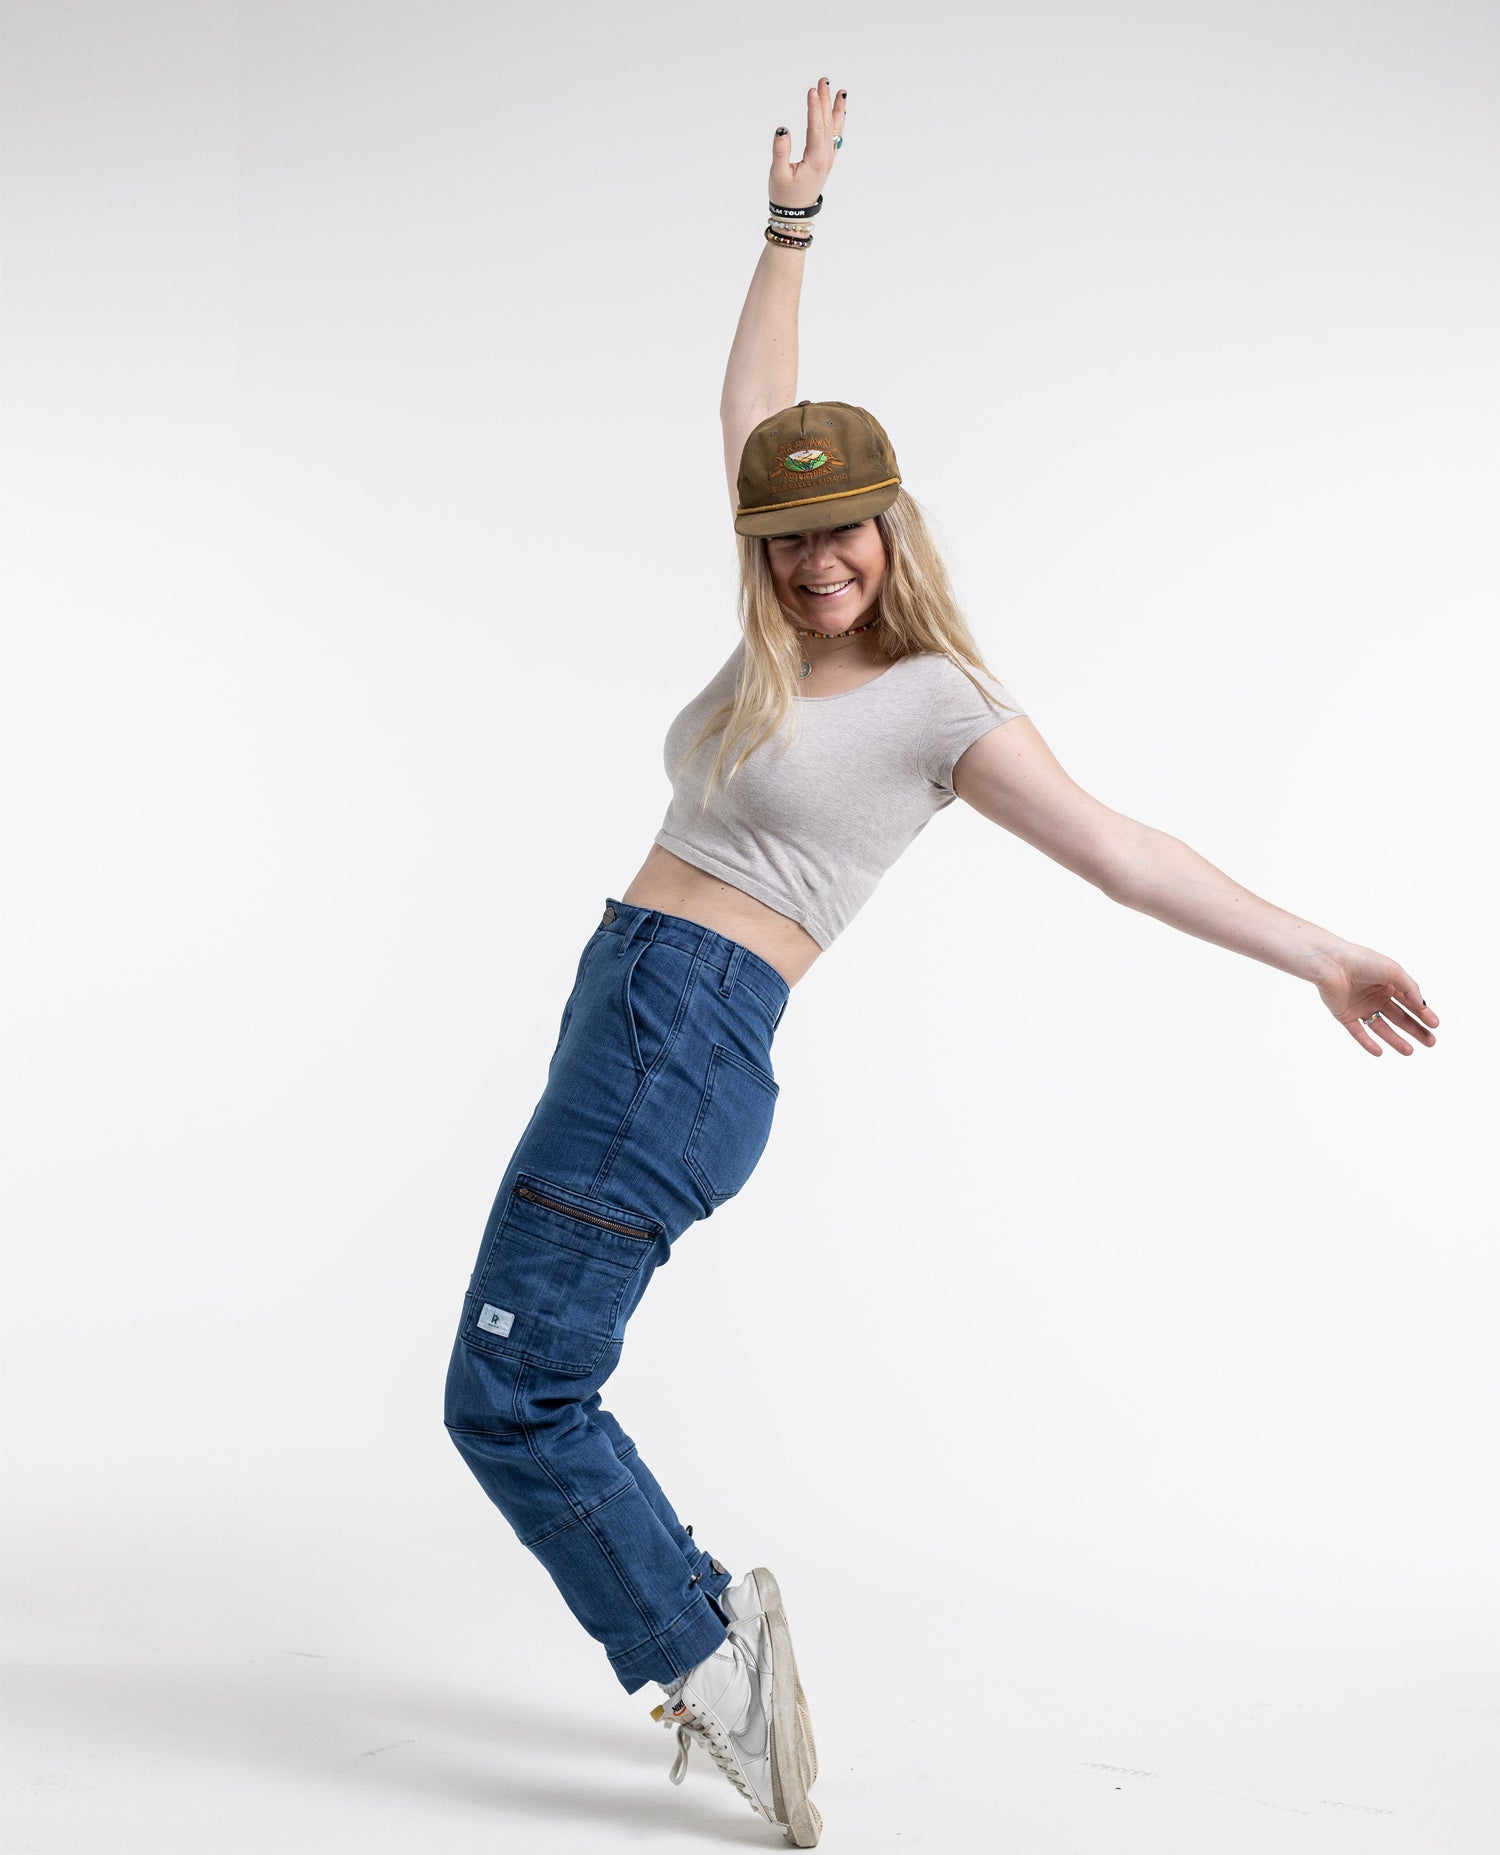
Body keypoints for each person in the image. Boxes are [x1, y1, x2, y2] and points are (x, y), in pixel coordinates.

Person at [442, 78, 1439, 1849]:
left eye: (845, 529)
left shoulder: (940, 706)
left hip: (686, 1031)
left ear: (897, 532)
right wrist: (789, 231)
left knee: (512, 1392)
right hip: (633, 1012)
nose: (818, 559)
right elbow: (758, 413)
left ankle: (711, 1662)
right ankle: (703, 1637)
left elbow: (1123, 852)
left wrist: (1320, 952)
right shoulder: (773, 652)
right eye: (790, 535)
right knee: (525, 1383)